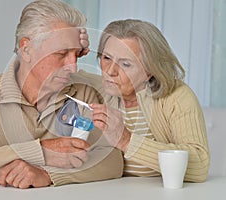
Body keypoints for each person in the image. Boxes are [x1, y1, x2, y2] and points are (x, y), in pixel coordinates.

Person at [0, 0, 123, 189]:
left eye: (76, 54)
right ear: (26, 49)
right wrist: (41, 151)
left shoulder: (82, 93)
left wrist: (48, 174)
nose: (73, 66)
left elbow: (111, 161)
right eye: (61, 53)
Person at [81, 19, 209, 182]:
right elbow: (56, 75)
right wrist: (72, 50)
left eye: (126, 64)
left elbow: (200, 166)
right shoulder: (98, 87)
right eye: (106, 58)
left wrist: (126, 141)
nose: (110, 71)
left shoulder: (177, 96)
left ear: (150, 71)